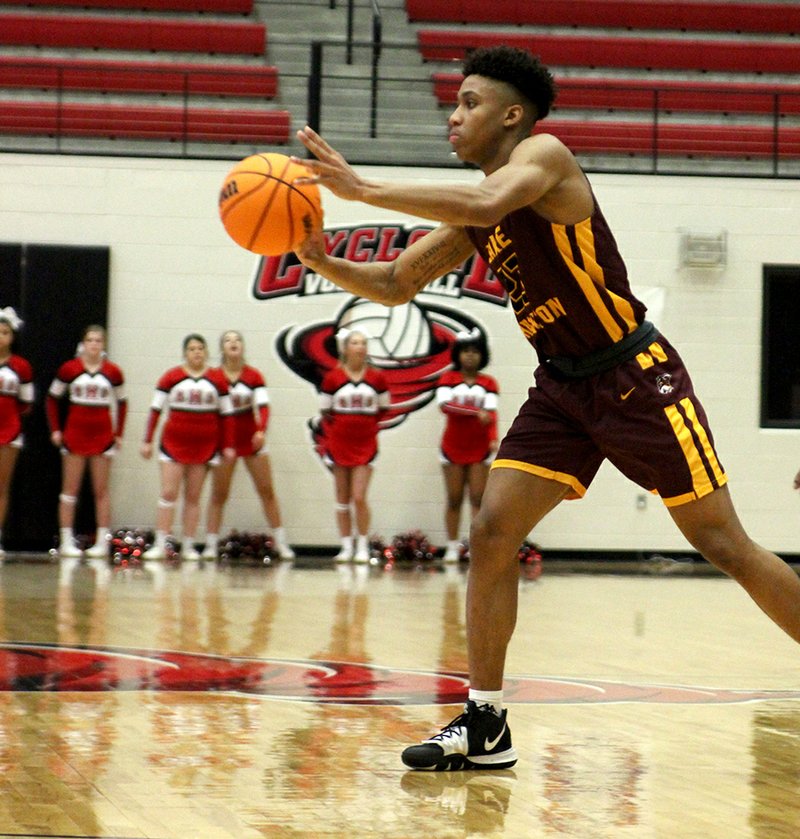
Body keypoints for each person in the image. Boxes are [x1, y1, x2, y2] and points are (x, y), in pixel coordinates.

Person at [293, 44, 800, 771]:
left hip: (634, 376)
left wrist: (364, 190)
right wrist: (321, 260)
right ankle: (486, 722)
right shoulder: (476, 212)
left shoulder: (545, 158)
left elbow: (487, 201)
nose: (453, 113)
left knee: (723, 543)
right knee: (494, 528)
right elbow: (400, 282)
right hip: (561, 387)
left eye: (468, 102)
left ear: (511, 115)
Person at [140, 334, 235, 561]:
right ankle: (161, 543)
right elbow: (155, 410)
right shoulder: (171, 377)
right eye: (192, 349)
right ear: (185, 353)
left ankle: (189, 545)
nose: (197, 352)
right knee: (168, 493)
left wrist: (228, 445)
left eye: (201, 348)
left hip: (204, 446)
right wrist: (147, 440)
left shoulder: (217, 380)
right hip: (173, 444)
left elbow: (228, 415)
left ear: (206, 352)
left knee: (193, 496)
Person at [202, 330, 295, 561]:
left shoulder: (253, 376)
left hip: (251, 440)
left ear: (242, 347)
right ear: (221, 348)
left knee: (267, 491)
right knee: (218, 494)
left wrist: (261, 430)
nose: (233, 343)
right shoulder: (213, 376)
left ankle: (281, 544)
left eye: (237, 340)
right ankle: (211, 546)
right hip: (226, 443)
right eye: (227, 340)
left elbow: (263, 407)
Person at [47, 324, 126, 559]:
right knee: (69, 491)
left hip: (102, 436)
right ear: (83, 343)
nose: (94, 344)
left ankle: (102, 542)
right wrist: (56, 430)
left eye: (98, 341)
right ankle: (66, 541)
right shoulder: (69, 369)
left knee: (101, 491)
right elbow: (52, 399)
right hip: (74, 435)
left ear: (103, 345)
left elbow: (122, 403)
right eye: (90, 340)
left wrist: (118, 432)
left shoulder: (113, 372)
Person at [318, 328, 389, 562]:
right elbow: (325, 411)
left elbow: (384, 409)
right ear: (346, 349)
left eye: (363, 343)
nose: (360, 347)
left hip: (366, 443)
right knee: (342, 497)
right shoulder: (332, 378)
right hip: (338, 443)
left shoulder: (377, 378)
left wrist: (365, 426)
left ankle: (362, 545)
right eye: (355, 343)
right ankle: (346, 546)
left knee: (359, 496)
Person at [436, 328, 498, 562]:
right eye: (465, 352)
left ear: (482, 355)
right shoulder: (447, 379)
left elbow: (491, 414)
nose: (470, 356)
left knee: (477, 499)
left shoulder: (489, 383)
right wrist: (474, 412)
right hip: (452, 446)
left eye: (475, 352)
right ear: (458, 355)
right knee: (453, 498)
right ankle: (451, 546)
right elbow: (445, 406)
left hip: (479, 447)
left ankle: (475, 546)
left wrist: (493, 438)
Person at [0, 307, 34, 557]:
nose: (1, 337)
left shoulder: (21, 366)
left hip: (9, 431)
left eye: (5, 332)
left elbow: (26, 404)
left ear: (12, 337)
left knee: (2, 487)